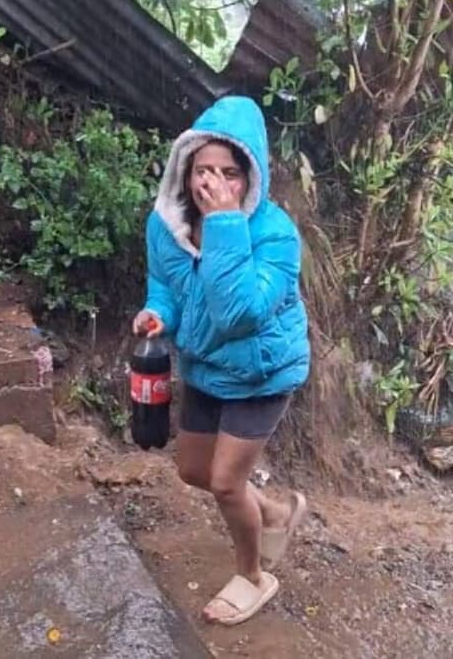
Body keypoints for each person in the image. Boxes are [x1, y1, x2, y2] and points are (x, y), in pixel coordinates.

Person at [132, 95, 311, 626]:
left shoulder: (275, 234)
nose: (213, 184)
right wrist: (157, 312)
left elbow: (240, 314)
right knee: (193, 471)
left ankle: (254, 576)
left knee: (227, 483)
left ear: (250, 176)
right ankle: (276, 511)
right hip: (206, 368)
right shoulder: (165, 226)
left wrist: (226, 224)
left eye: (229, 173)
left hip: (261, 373)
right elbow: (165, 284)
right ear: (184, 173)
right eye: (202, 171)